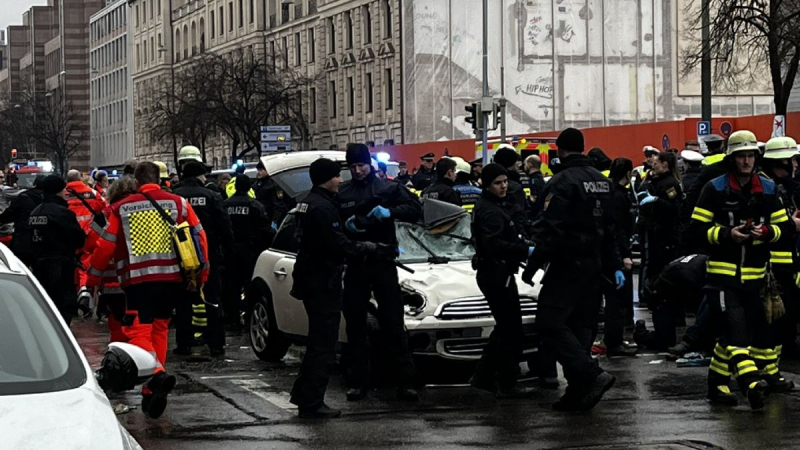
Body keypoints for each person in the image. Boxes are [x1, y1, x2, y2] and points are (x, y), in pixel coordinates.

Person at [87, 161, 209, 419]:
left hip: (138, 281)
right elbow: (200, 237)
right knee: (160, 329)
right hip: (173, 279)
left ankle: (155, 374)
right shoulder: (179, 203)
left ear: (137, 182)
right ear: (160, 178)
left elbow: (105, 247)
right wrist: (201, 275)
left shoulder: (121, 208)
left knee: (137, 329)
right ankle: (150, 391)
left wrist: (92, 279)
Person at [687, 130, 790, 409]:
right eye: (741, 156)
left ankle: (717, 385)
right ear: (731, 159)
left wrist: (767, 232)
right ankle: (752, 384)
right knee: (736, 333)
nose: (746, 161)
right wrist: (726, 234)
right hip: (722, 277)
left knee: (737, 335)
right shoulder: (715, 188)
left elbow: (786, 230)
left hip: (755, 278)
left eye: (750, 156)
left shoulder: (768, 190)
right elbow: (696, 231)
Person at [522, 127, 623, 411]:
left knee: (549, 323)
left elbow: (549, 230)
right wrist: (614, 264)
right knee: (580, 327)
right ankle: (578, 392)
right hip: (595, 267)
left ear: (560, 150)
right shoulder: (602, 182)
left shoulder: (561, 182)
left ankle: (591, 375)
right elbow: (611, 229)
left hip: (567, 265)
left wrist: (532, 265)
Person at [290, 158, 397, 419]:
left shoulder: (306, 201)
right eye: (337, 176)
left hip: (310, 277)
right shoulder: (322, 207)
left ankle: (304, 396)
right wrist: (371, 248)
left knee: (317, 342)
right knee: (323, 345)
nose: (341, 180)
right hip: (322, 279)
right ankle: (312, 402)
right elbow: (337, 245)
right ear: (327, 178)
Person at [338, 143, 421, 402]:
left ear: (369, 164)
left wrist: (389, 213)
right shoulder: (344, 191)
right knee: (356, 325)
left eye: (361, 165)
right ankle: (358, 381)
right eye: (353, 167)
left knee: (393, 324)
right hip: (356, 262)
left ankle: (405, 382)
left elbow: (415, 210)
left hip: (383, 261)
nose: (358, 170)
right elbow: (333, 222)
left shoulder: (387, 188)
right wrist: (346, 225)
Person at [469, 163, 537, 398]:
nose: (504, 186)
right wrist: (523, 250)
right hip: (496, 274)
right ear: (487, 184)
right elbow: (493, 244)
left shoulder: (494, 206)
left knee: (506, 327)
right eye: (498, 183)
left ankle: (488, 376)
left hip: (498, 272)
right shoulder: (489, 210)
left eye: (505, 181)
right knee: (510, 329)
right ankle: (501, 378)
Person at [172, 161, 234, 357]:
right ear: (199, 176)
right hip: (208, 255)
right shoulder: (212, 195)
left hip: (181, 256)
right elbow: (225, 227)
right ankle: (215, 343)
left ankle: (184, 343)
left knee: (183, 301)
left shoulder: (174, 196)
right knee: (212, 299)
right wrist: (228, 252)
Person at [759, 136, 800, 367]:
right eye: (791, 161)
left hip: (787, 261)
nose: (795, 166)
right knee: (777, 311)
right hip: (771, 262)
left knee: (788, 308)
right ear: (780, 163)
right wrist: (791, 225)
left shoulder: (783, 187)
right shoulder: (767, 189)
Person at [27, 175, 86, 325]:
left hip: (39, 266)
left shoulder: (35, 213)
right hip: (61, 267)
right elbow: (79, 239)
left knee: (45, 305)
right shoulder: (63, 213)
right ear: (58, 191)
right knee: (63, 309)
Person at [223, 176, 272, 330]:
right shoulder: (255, 205)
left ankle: (233, 320)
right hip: (250, 251)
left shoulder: (225, 205)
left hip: (230, 251)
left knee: (232, 286)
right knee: (249, 285)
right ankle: (249, 318)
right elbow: (265, 227)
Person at [637, 152, 683, 308]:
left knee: (664, 268)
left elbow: (674, 209)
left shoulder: (669, 184)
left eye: (656, 163)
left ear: (665, 165)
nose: (653, 165)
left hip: (666, 236)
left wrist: (656, 201)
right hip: (657, 234)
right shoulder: (658, 181)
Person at [605, 158, 637, 356]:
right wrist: (624, 255)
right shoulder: (618, 196)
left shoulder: (617, 193)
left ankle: (616, 339)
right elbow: (617, 229)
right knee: (617, 300)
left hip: (618, 249)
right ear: (627, 173)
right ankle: (614, 342)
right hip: (618, 252)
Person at [64, 169, 107, 315]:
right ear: (80, 179)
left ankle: (77, 293)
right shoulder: (92, 193)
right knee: (86, 262)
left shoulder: (62, 195)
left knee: (72, 264)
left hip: (69, 235)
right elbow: (104, 208)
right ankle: (85, 292)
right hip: (89, 234)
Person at [0, 175, 44, 266]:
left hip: (22, 240)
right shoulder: (56, 200)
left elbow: (9, 215)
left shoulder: (23, 197)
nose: (3, 179)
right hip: (46, 245)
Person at [493, 146, 530, 238]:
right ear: (513, 163)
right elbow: (519, 214)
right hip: (512, 234)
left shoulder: (489, 183)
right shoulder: (515, 187)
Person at [524, 154, 546, 220]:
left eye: (525, 164)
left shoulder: (533, 180)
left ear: (530, 164)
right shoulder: (540, 179)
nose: (524, 166)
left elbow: (533, 199)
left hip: (534, 216)